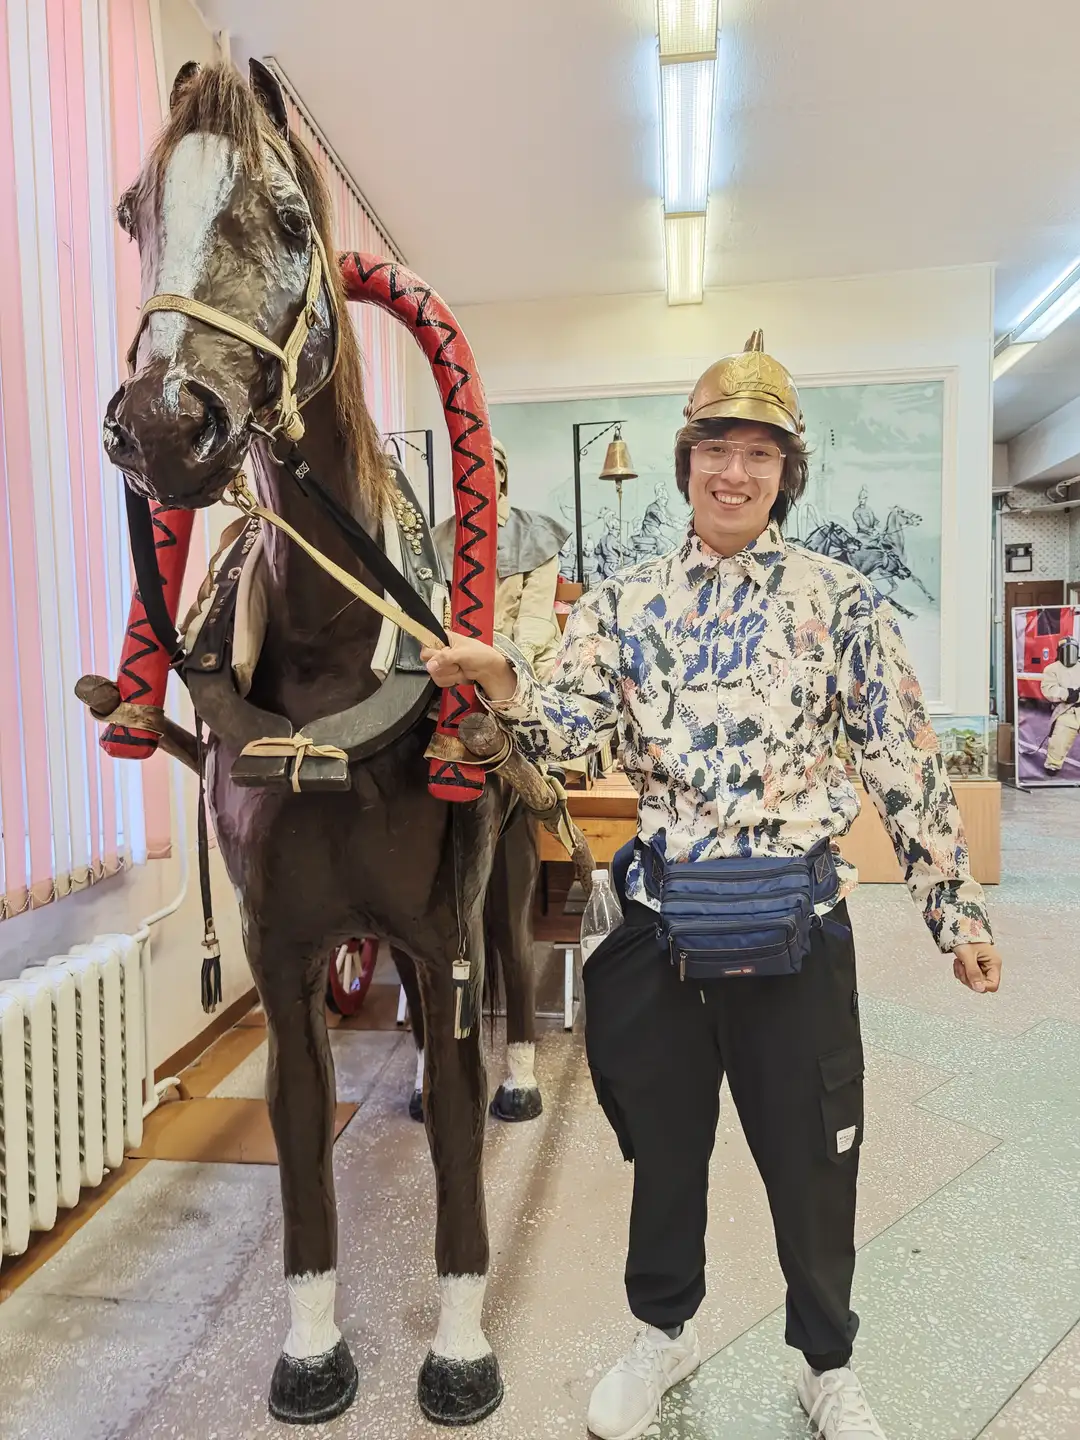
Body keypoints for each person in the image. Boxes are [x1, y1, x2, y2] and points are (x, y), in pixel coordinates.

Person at [423, 332, 1002, 1440]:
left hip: (798, 926)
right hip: (666, 929)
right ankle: (666, 1330)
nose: (735, 474)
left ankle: (824, 1362)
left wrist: (955, 910)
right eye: (716, 450)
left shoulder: (841, 601)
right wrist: (505, 683)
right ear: (686, 460)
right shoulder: (625, 606)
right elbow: (557, 730)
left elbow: (905, 765)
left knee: (811, 1155)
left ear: (788, 474)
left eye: (761, 456)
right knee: (664, 1151)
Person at [435, 437, 570, 681]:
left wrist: (513, 664)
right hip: (459, 660)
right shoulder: (437, 539)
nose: (474, 478)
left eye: (485, 468)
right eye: (464, 471)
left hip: (529, 657)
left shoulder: (536, 533)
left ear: (502, 474)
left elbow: (535, 611)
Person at [1040, 634, 1080, 773]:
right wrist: (1066, 694)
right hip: (1066, 710)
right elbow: (1048, 689)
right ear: (1060, 651)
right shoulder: (1051, 669)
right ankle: (1053, 766)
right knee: (1059, 741)